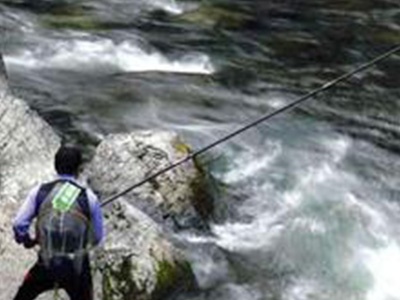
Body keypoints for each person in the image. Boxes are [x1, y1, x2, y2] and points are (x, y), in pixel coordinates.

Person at [12, 146, 104, 300]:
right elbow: (97, 238)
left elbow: (18, 224)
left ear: (55, 166)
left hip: (46, 265)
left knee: (23, 295)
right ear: (78, 169)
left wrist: (27, 240)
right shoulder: (89, 198)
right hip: (77, 268)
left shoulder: (39, 192)